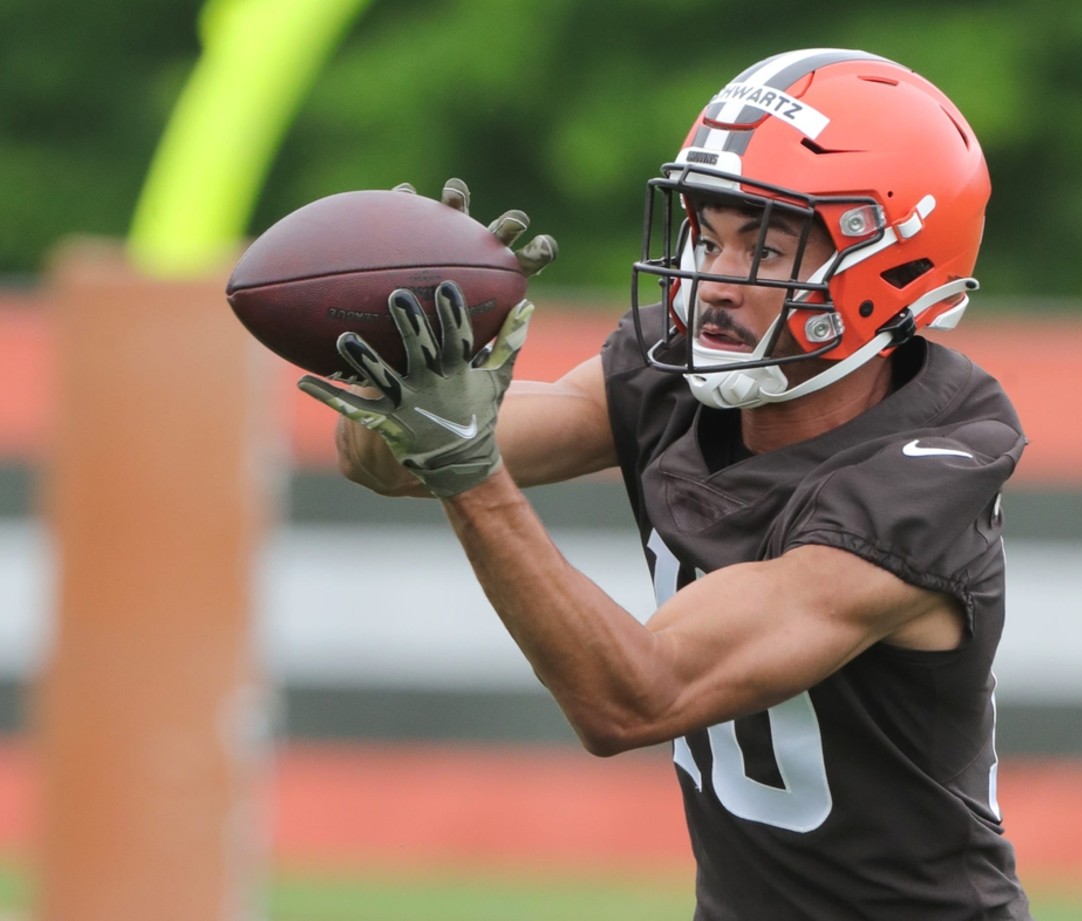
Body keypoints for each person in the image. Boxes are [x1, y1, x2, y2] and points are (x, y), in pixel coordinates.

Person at [299, 48, 1032, 920]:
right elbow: (389, 459)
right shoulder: (670, 372)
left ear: (891, 267)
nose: (715, 280)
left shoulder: (920, 482)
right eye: (707, 234)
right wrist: (410, 363)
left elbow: (634, 695)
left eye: (764, 245)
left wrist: (466, 465)